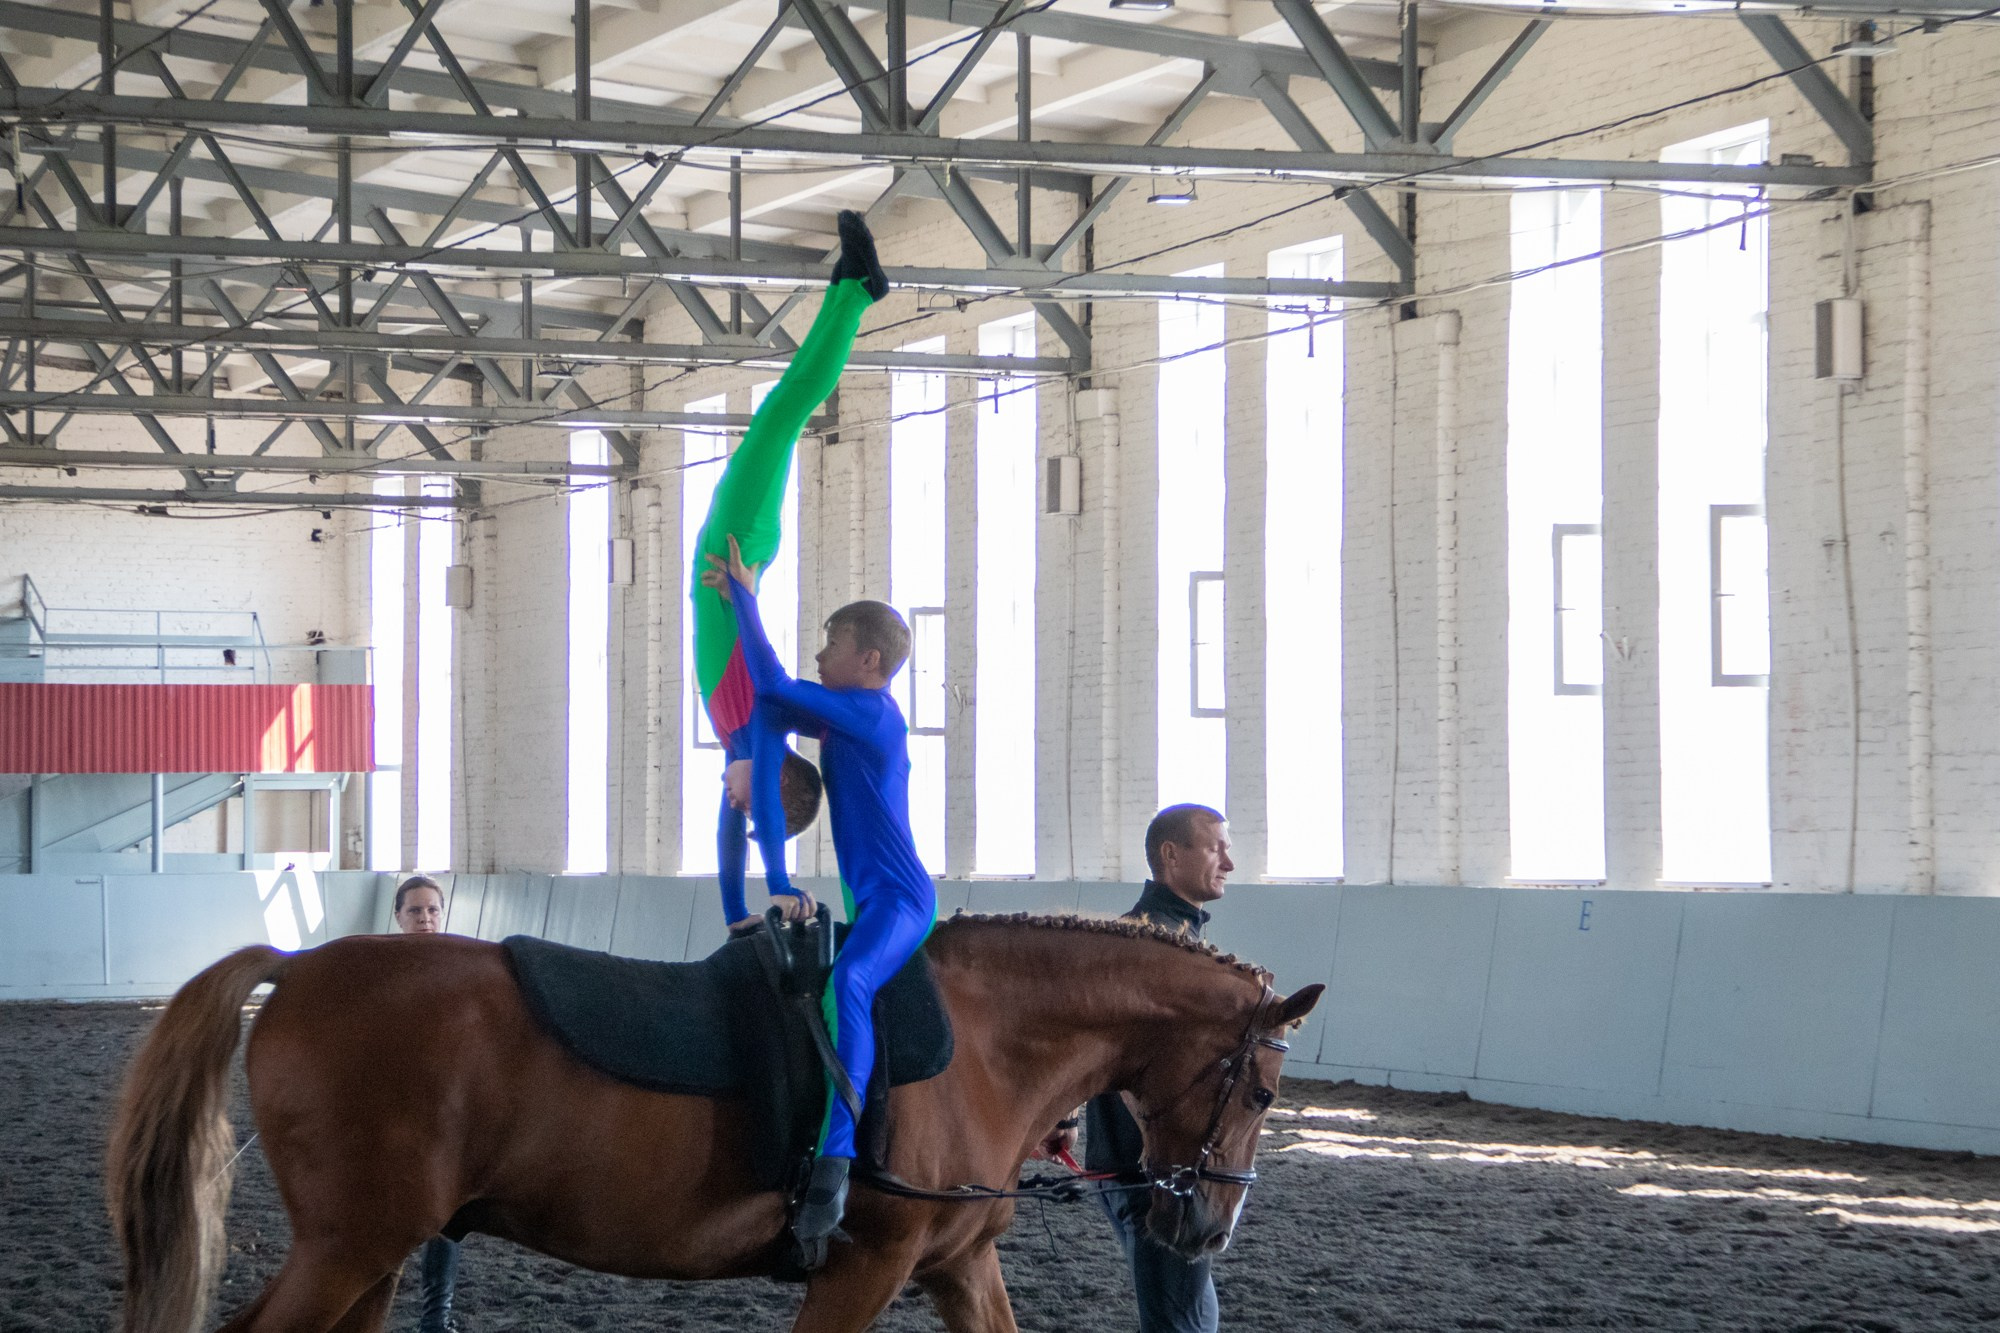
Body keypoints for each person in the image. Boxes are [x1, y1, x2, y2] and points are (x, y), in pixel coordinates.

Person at [702, 537, 935, 1248]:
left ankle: (836, 1160)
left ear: (869, 660)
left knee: (851, 983)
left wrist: (743, 595)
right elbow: (767, 713)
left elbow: (775, 685)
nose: (821, 656)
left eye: (832, 643)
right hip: (869, 896)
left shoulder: (872, 712)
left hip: (899, 898)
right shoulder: (844, 715)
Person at [692, 209, 887, 932]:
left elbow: (726, 839)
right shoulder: (761, 733)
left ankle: (849, 291)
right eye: (747, 802)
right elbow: (764, 817)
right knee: (783, 412)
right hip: (732, 557)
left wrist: (738, 911)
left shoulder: (737, 747)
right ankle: (856, 292)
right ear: (776, 783)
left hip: (722, 551)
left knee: (781, 415)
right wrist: (778, 881)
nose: (730, 798)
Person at [1053, 804, 1236, 1333]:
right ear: (1170, 855)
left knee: (1191, 1314)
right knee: (1181, 1321)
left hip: (1129, 1168)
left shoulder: (1158, 940)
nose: (1228, 862)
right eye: (1214, 848)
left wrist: (1065, 1115)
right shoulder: (1160, 949)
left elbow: (1083, 1030)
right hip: (1156, 1177)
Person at [393, 874, 461, 1333]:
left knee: (447, 1213)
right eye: (415, 911)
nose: (425, 918)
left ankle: (437, 1315)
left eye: (432, 910)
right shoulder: (382, 969)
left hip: (443, 1109)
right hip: (394, 1109)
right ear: (399, 917)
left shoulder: (460, 969)